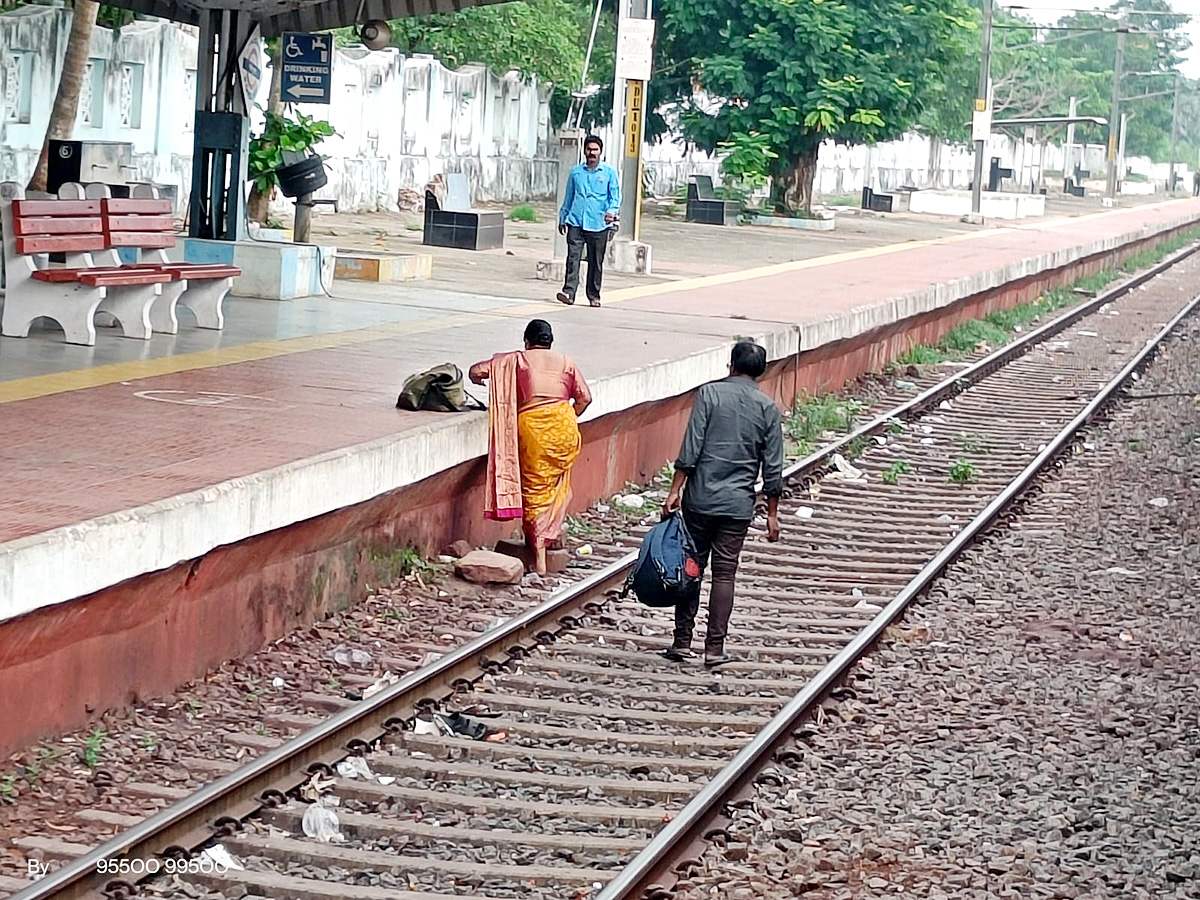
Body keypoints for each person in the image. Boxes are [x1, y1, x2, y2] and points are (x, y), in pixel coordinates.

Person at [661, 341, 784, 667]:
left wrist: (675, 490)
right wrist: (772, 514)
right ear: (762, 371)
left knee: (692, 567)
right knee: (725, 575)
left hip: (699, 500)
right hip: (737, 505)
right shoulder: (767, 408)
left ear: (730, 365)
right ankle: (714, 649)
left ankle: (682, 642)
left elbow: (691, 447)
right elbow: (773, 466)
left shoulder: (709, 395)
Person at [469, 320, 592, 575]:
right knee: (557, 487)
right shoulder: (566, 362)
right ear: (551, 342)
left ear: (526, 342)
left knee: (534, 491)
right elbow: (585, 398)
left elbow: (476, 371)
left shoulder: (517, 360)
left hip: (533, 430)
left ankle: (539, 559)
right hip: (565, 427)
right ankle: (549, 539)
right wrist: (565, 418)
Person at [557, 135, 620, 308]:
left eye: (595, 150)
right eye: (589, 149)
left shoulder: (609, 173)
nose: (592, 153)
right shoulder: (576, 172)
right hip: (576, 221)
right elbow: (569, 196)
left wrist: (611, 211)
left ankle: (594, 295)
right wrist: (563, 217)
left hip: (599, 223)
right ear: (584, 151)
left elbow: (615, 196)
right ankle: (569, 292)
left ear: (600, 152)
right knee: (572, 258)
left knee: (595, 261)